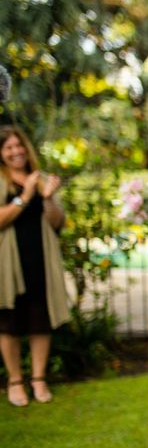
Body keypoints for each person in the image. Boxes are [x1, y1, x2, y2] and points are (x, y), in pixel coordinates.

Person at [0, 125, 69, 407]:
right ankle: (15, 381)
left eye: (19, 145)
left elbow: (56, 224)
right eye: (8, 148)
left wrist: (48, 197)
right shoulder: (3, 181)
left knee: (40, 320)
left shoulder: (40, 179)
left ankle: (38, 379)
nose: (16, 151)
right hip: (8, 263)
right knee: (9, 322)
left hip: (40, 259)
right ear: (1, 154)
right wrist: (25, 196)